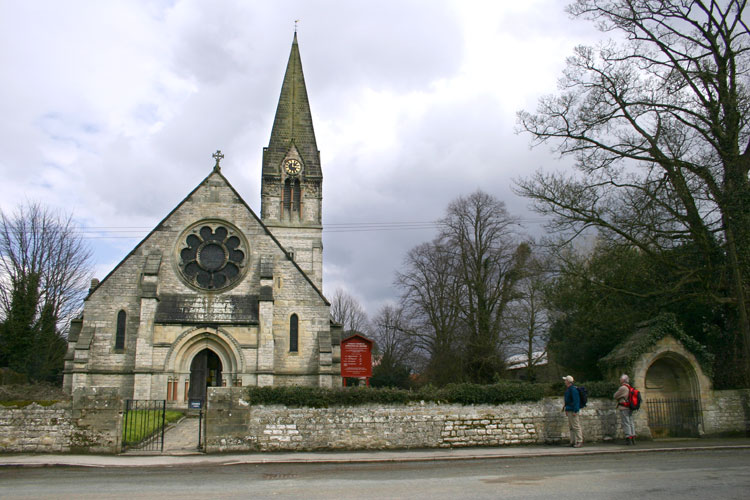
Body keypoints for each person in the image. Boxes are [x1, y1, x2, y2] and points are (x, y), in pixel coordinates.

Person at [614, 374, 636, 445]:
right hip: (630, 407)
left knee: (626, 422)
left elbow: (615, 395)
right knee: (631, 422)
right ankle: (633, 436)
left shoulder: (623, 388)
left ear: (623, 380)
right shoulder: (630, 387)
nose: (620, 380)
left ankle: (628, 437)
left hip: (624, 407)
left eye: (620, 379)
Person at [561, 375, 583, 447]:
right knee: (571, 427)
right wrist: (566, 409)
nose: (564, 381)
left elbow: (576, 401)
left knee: (576, 426)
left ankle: (579, 441)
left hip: (573, 410)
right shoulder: (569, 389)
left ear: (568, 381)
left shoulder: (573, 389)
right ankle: (573, 441)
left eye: (565, 380)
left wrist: (575, 410)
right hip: (569, 409)